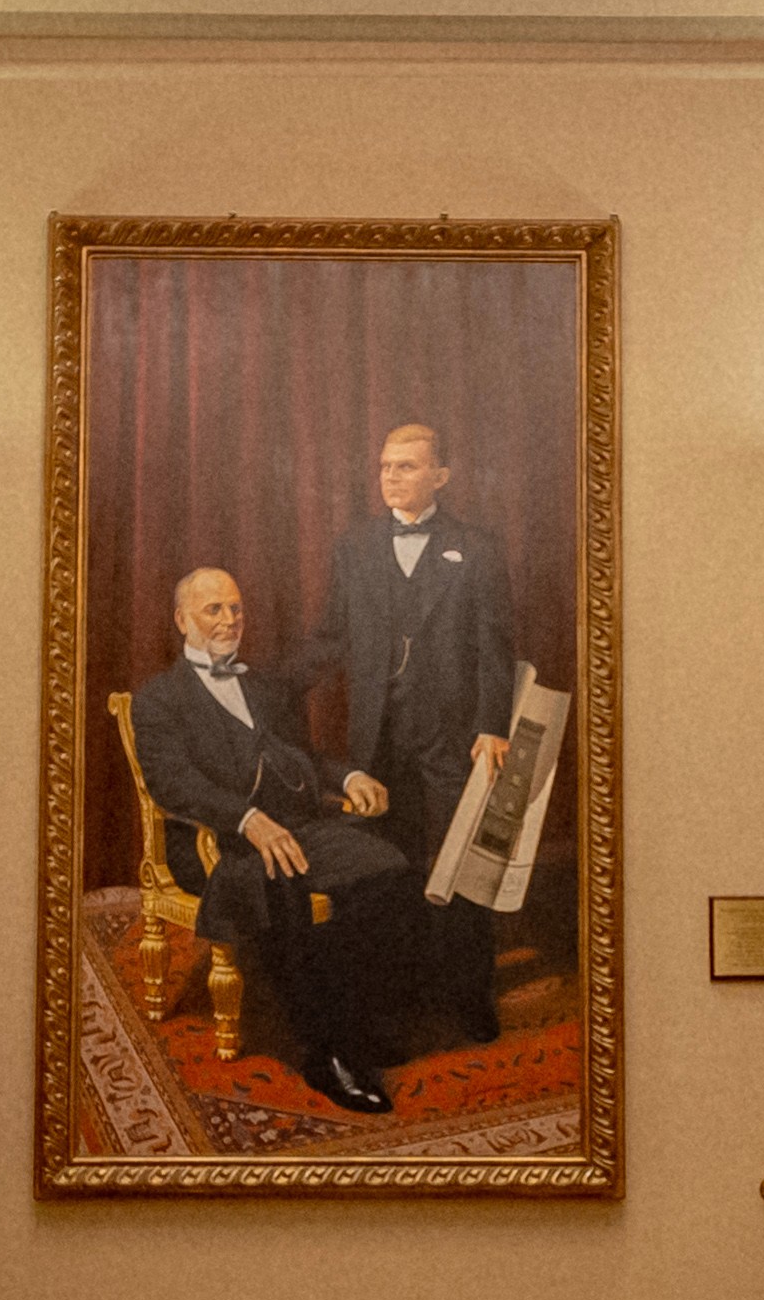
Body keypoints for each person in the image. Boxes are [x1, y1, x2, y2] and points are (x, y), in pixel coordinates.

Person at [128, 562, 466, 1112]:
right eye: (214, 609)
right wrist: (246, 819)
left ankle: (363, 1021)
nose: (229, 619)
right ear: (181, 619)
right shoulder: (160, 699)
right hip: (218, 844)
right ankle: (325, 1052)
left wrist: (348, 776)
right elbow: (174, 784)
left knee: (390, 869)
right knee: (285, 884)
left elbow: (302, 759)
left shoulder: (262, 684)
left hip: (297, 827)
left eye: (236, 608)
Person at [320, 415, 525, 914]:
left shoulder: (477, 548)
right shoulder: (355, 546)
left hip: (449, 731)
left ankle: (460, 975)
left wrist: (491, 726)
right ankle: (396, 965)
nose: (391, 477)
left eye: (406, 467)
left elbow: (494, 647)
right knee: (386, 859)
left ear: (441, 476)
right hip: (378, 729)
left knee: (460, 860)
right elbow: (330, 637)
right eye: (386, 467)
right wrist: (272, 683)